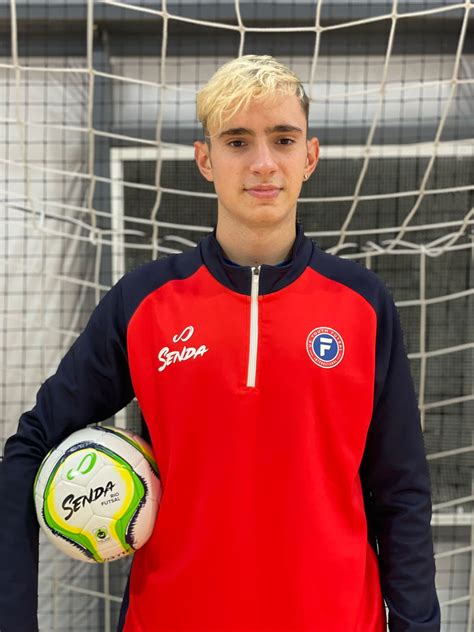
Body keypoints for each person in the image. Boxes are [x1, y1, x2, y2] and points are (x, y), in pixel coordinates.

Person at [0, 55, 440, 632]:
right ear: (205, 158)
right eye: (237, 141)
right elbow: (28, 450)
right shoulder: (144, 302)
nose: (263, 163)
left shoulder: (363, 304)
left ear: (309, 156)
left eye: (282, 139)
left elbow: (401, 494)